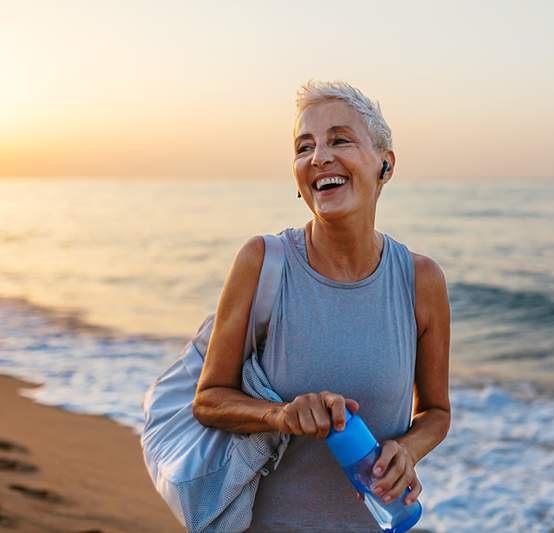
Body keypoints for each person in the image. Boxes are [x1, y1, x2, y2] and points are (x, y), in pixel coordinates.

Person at [192, 80, 451, 532]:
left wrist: (407, 450)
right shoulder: (263, 262)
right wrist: (280, 415)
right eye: (304, 147)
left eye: (339, 140)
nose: (319, 158)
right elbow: (209, 400)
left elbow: (436, 412)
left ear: (384, 165)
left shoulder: (421, 280)